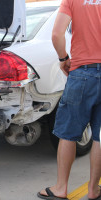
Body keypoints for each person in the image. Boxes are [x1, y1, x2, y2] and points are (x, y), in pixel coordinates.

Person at [37, 0, 101, 199]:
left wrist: (64, 59)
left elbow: (56, 34)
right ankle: (93, 190)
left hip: (82, 72)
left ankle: (61, 187)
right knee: (99, 136)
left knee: (68, 133)